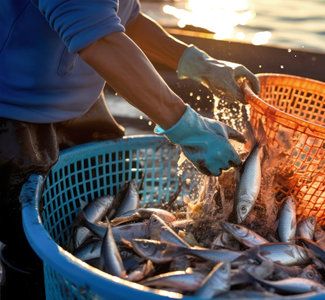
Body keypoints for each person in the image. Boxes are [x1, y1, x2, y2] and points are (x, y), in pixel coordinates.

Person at [0, 0, 260, 298]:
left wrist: (196, 63)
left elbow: (125, 19)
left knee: (107, 199)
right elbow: (101, 41)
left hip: (74, 98)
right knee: (31, 242)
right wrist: (185, 125)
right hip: (13, 108)